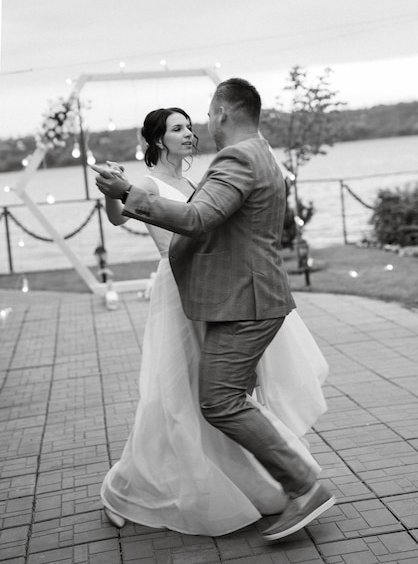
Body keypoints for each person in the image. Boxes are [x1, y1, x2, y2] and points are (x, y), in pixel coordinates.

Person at [95, 80, 335, 540]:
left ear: (223, 114)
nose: (198, 129)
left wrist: (126, 188)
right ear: (157, 139)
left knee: (214, 399)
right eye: (179, 127)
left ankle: (299, 485)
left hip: (235, 296)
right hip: (212, 294)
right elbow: (196, 224)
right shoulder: (258, 153)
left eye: (201, 117)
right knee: (195, 397)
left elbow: (198, 220)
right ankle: (274, 483)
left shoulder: (234, 160)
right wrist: (123, 191)